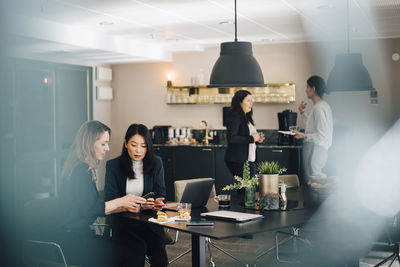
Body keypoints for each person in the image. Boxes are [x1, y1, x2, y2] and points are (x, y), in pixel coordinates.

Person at [58, 120, 147, 267]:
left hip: (81, 236)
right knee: (133, 249)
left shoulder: (81, 167)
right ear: (90, 143)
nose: (107, 148)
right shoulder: (80, 171)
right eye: (103, 144)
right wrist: (119, 202)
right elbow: (89, 209)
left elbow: (88, 206)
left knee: (135, 245)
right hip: (73, 242)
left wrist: (124, 205)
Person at [105, 123, 168, 267]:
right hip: (123, 222)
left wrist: (156, 202)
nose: (138, 150)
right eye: (134, 144)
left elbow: (161, 193)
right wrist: (129, 205)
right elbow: (109, 199)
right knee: (135, 254)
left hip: (149, 221)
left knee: (160, 260)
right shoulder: (113, 166)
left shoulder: (156, 163)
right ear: (126, 144)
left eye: (143, 146)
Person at [293, 75, 333, 182]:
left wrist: (304, 135)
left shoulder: (319, 108)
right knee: (313, 183)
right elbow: (312, 127)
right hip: (317, 149)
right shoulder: (321, 106)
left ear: (313, 89)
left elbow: (322, 135)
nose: (306, 90)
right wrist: (302, 112)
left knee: (314, 184)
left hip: (317, 150)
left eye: (307, 87)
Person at [225, 90, 265, 179]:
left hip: (247, 159)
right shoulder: (234, 116)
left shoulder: (246, 117)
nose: (251, 103)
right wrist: (251, 139)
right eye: (248, 100)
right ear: (240, 102)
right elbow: (232, 138)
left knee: (245, 188)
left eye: (251, 100)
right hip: (237, 160)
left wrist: (257, 139)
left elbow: (246, 136)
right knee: (247, 188)